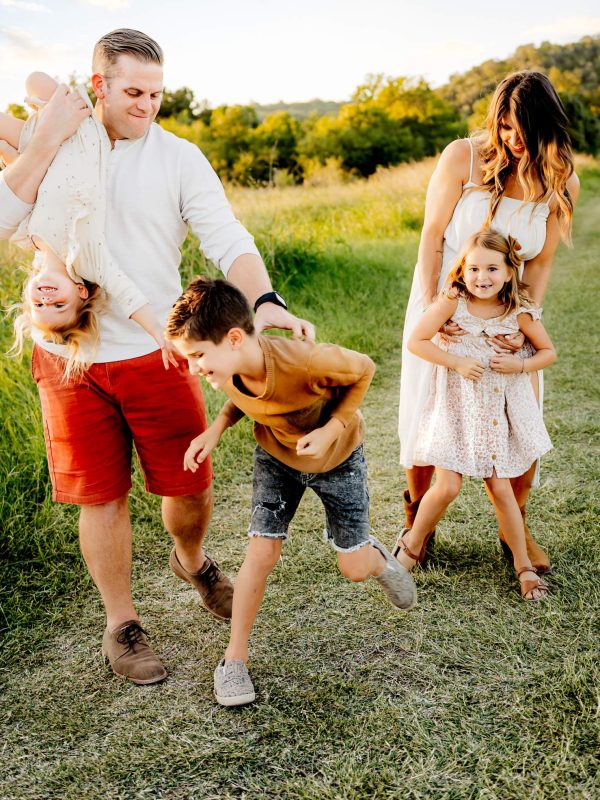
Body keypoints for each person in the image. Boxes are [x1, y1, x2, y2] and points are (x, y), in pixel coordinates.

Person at [0, 29, 314, 686]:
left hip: (160, 350)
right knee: (101, 497)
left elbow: (227, 238)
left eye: (155, 93)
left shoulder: (179, 158)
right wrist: (45, 130)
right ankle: (122, 623)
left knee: (188, 488)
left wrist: (268, 301)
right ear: (98, 88)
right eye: (133, 92)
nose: (146, 106)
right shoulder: (54, 143)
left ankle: (192, 561)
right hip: (70, 356)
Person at [166, 276, 417, 706]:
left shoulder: (303, 361)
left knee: (354, 568)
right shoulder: (226, 365)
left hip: (336, 459)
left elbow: (365, 369)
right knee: (260, 553)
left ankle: (377, 559)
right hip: (276, 458)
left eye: (197, 356)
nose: (193, 368)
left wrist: (331, 429)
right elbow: (244, 396)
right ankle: (234, 661)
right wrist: (216, 429)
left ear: (232, 339)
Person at [397, 70, 579, 573]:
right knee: (430, 407)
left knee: (521, 410)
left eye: (524, 129)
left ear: (548, 127)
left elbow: (540, 263)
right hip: (448, 301)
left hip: (509, 311)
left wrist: (523, 321)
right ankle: (417, 522)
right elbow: (432, 235)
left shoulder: (563, 179)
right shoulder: (464, 156)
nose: (513, 139)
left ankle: (513, 523)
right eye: (504, 126)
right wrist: (439, 307)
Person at [396, 229, 555, 601]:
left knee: (502, 489)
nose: (482, 278)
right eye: (474, 269)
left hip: (495, 415)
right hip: (455, 409)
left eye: (492, 269)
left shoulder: (518, 312)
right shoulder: (453, 302)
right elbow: (416, 340)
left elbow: (548, 352)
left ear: (509, 272)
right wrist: (456, 361)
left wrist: (518, 364)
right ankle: (411, 547)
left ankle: (524, 568)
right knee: (447, 485)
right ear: (462, 270)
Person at [2, 71, 176, 376]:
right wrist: (158, 334)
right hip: (82, 139)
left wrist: (14, 157)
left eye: (39, 307)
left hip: (43, 147)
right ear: (81, 293)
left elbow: (23, 181)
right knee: (36, 81)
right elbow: (129, 295)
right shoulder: (87, 261)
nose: (46, 300)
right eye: (58, 306)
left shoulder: (27, 237)